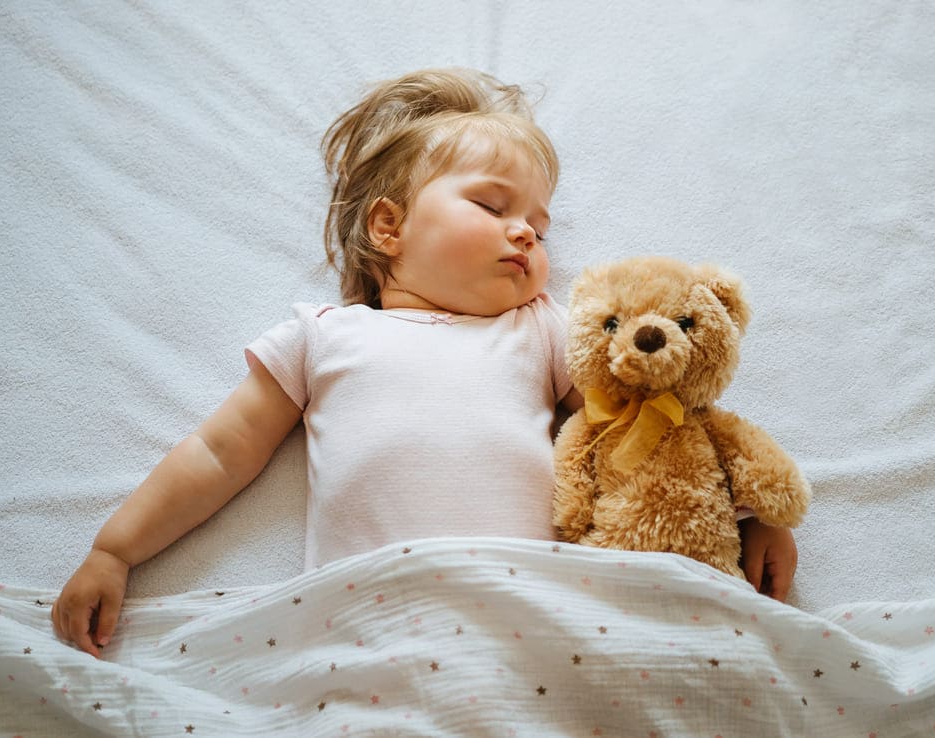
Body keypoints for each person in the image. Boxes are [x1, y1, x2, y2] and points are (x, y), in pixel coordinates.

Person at [51, 68, 798, 658]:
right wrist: (115, 550)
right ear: (389, 226)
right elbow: (217, 453)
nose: (527, 235)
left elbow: (647, 430)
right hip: (361, 617)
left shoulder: (538, 330)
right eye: (492, 206)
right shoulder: (323, 336)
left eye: (538, 224)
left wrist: (745, 514)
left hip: (527, 611)